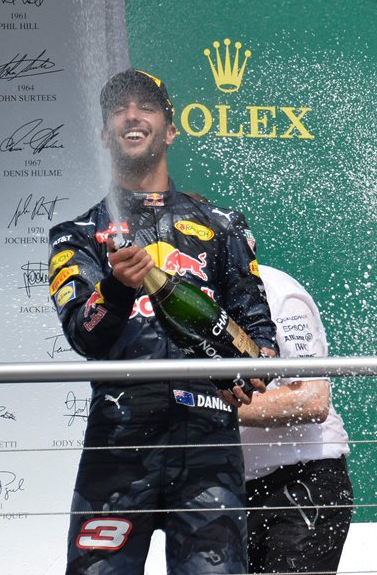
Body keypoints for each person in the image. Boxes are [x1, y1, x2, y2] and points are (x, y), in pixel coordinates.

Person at [49, 68, 277, 575]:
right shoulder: (78, 235)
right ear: (105, 133)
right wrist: (117, 288)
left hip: (208, 444)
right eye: (119, 108)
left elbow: (261, 338)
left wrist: (250, 369)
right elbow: (83, 336)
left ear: (170, 129)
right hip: (118, 444)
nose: (132, 114)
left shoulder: (223, 225)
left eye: (146, 105)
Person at [238, 264, 354, 574]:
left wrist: (208, 408)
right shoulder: (169, 291)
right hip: (226, 486)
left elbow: (311, 399)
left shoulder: (277, 290)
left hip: (302, 479)